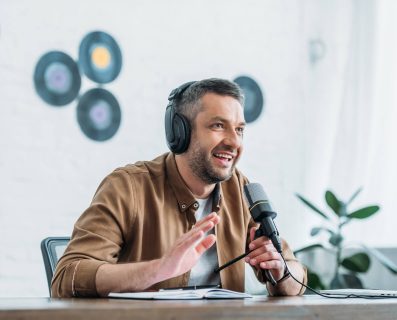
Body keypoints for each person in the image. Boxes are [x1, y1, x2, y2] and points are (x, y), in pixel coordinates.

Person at [51, 78, 307, 298]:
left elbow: (297, 274)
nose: (233, 142)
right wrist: (160, 269)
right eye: (218, 125)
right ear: (179, 132)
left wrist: (281, 272)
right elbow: (67, 277)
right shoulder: (128, 187)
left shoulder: (241, 189)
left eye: (239, 129)